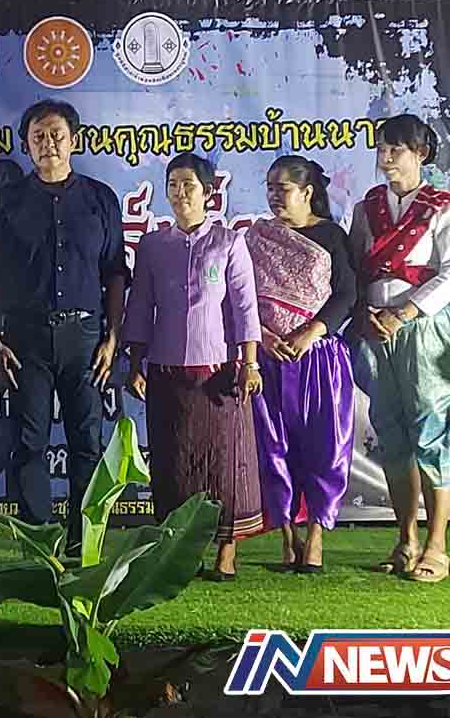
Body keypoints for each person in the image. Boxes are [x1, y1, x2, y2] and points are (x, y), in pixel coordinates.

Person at [0, 99, 126, 554]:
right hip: (25, 338)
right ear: (26, 145)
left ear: (73, 141)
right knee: (29, 442)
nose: (48, 144)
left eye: (56, 135)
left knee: (88, 442)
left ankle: (84, 545)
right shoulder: (7, 201)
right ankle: (39, 545)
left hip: (86, 338)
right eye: (38, 136)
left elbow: (115, 273)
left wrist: (113, 336)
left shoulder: (100, 199)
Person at [122, 152, 263, 580]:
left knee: (224, 463)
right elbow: (140, 306)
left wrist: (250, 363)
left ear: (208, 193)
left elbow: (245, 307)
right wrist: (135, 363)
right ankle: (179, 552)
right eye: (173, 184)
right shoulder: (152, 246)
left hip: (219, 373)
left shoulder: (229, 242)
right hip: (165, 372)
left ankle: (226, 551)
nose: (180, 193)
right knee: (173, 463)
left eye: (189, 185)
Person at [348, 115, 450, 584]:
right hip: (375, 331)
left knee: (429, 433)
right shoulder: (367, 207)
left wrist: (404, 313)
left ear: (420, 153)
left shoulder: (443, 207)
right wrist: (364, 313)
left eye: (395, 149)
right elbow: (357, 268)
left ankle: (437, 546)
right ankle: (406, 540)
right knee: (392, 434)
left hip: (422, 329)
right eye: (381, 148)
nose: (385, 158)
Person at [245, 156, 357, 573]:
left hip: (318, 359)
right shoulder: (257, 237)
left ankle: (316, 538)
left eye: (284, 188)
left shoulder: (330, 235)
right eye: (270, 187)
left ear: (307, 192)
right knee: (272, 448)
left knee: (324, 448)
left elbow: (347, 293)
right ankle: (287, 538)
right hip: (269, 358)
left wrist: (312, 332)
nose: (275, 196)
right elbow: (241, 295)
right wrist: (262, 336)